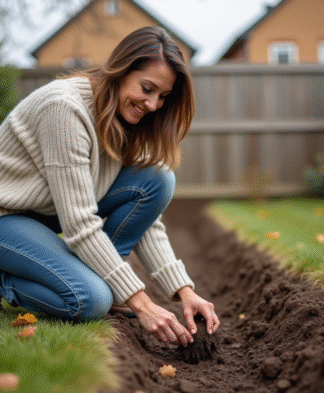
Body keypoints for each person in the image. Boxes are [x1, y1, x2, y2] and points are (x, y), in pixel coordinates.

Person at [0, 26, 219, 347]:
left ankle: (102, 279)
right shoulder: (64, 108)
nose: (153, 104)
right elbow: (79, 222)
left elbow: (146, 220)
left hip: (45, 213)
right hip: (7, 216)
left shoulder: (128, 118)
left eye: (162, 96)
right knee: (89, 300)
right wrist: (141, 303)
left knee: (157, 179)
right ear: (120, 70)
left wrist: (184, 291)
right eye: (147, 88)